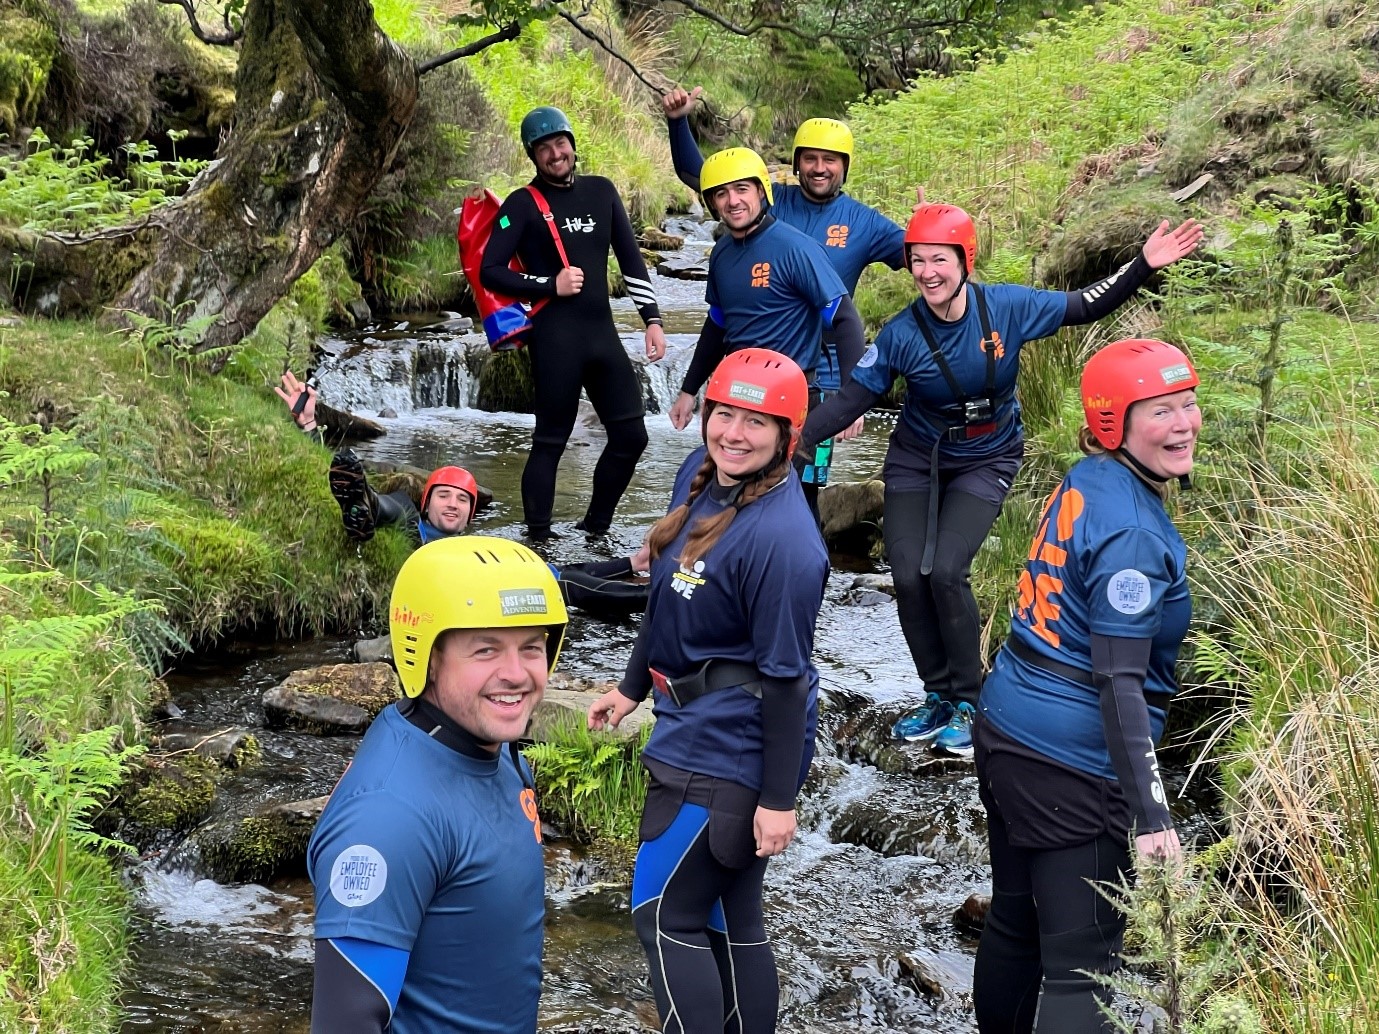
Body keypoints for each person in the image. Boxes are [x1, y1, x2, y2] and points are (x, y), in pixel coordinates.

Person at [799, 203, 1203, 756]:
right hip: (918, 459)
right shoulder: (899, 336)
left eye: (939, 259)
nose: (927, 272)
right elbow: (849, 399)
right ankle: (935, 695)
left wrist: (1143, 264)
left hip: (988, 457)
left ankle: (969, 702)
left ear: (965, 260)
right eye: (917, 261)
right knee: (910, 576)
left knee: (945, 571)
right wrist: (785, 442)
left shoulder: (1006, 309)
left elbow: (1084, 306)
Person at [587, 348, 828, 1034]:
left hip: (726, 754)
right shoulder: (701, 479)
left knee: (663, 916)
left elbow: (787, 683)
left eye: (756, 421)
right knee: (729, 916)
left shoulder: (785, 544)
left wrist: (777, 801)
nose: (734, 432)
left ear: (786, 435)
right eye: (725, 414)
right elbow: (664, 602)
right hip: (690, 727)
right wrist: (633, 687)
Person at [972, 338, 1198, 1032]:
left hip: (1006, 729)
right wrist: (1153, 816)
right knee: (1083, 968)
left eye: (1188, 403)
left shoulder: (1086, 477)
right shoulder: (1131, 531)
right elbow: (1118, 682)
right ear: (1113, 423)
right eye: (1159, 410)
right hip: (1074, 766)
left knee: (1014, 923)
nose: (1184, 423)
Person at [307, 535, 567, 1033]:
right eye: (486, 649)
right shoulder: (387, 817)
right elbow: (344, 1022)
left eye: (531, 648)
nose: (516, 674)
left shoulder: (492, 743)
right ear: (426, 657)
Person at [662, 88, 906, 500]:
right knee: (739, 481)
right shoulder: (766, 200)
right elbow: (703, 176)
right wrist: (678, 122)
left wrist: (930, 231)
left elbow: (919, 261)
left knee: (802, 485)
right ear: (795, 165)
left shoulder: (863, 222)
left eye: (829, 160)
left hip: (819, 375)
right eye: (810, 158)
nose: (818, 168)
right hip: (751, 374)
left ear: (844, 167)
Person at [275, 369, 650, 617]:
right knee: (394, 508)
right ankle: (364, 506)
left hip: (478, 589)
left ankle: (653, 599)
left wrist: (631, 565)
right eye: (444, 495)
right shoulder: (414, 519)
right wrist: (309, 424)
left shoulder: (483, 548)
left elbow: (572, 573)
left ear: (472, 514)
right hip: (418, 554)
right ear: (429, 501)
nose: (452, 504)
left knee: (566, 582)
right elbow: (333, 478)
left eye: (462, 499)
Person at [480, 106, 667, 542]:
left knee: (631, 436)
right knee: (551, 442)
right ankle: (539, 540)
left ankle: (596, 529)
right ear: (534, 157)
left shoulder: (602, 192)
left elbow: (631, 259)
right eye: (544, 149)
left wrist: (652, 319)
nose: (555, 154)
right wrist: (550, 283)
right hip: (555, 338)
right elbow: (492, 269)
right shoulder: (522, 205)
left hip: (602, 336)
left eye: (560, 144)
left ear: (573, 145)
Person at [667, 145, 868, 520]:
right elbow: (718, 325)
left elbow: (845, 318)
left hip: (798, 399)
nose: (733, 201)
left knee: (797, 503)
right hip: (738, 400)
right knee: (728, 498)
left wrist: (852, 398)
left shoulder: (796, 248)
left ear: (762, 192)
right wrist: (688, 390)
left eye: (742, 189)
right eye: (721, 194)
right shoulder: (722, 253)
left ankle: (807, 576)